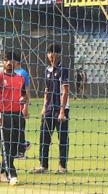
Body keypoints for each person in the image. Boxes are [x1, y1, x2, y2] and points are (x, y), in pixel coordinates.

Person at [0, 52, 29, 186]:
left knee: (16, 147)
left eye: (11, 60)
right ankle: (12, 175)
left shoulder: (20, 78)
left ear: (15, 63)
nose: (9, 63)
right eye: (6, 60)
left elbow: (25, 95)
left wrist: (24, 101)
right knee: (5, 146)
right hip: (4, 115)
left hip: (18, 115)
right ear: (3, 62)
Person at [34, 43, 70, 174]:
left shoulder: (63, 69)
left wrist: (62, 111)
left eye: (54, 53)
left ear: (59, 54)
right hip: (49, 108)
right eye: (49, 53)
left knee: (63, 139)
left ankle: (62, 166)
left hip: (61, 109)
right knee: (44, 137)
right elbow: (47, 90)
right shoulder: (47, 70)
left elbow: (65, 91)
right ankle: (43, 165)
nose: (51, 55)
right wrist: (44, 107)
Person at [13, 57, 32, 158]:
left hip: (20, 105)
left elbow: (27, 89)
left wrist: (26, 106)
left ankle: (22, 150)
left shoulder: (22, 73)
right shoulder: (13, 72)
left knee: (19, 128)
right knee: (15, 129)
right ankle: (23, 146)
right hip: (13, 105)